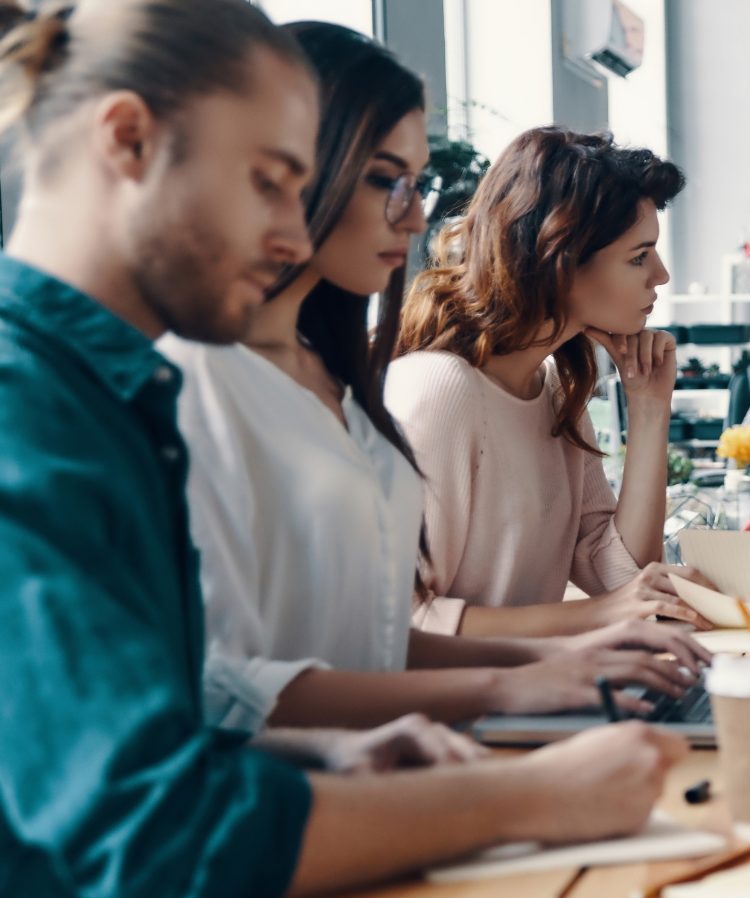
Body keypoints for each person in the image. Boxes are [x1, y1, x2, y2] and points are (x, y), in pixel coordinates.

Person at [0, 4, 684, 898]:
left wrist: (325, 750)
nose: (292, 231)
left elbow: (189, 713)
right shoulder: (33, 408)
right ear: (127, 141)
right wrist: (525, 791)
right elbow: (152, 832)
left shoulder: (120, 390)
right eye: (274, 184)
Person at [161, 23, 707, 732]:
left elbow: (370, 646)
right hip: (373, 759)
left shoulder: (350, 383)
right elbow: (240, 684)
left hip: (394, 749)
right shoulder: (422, 389)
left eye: (413, 183)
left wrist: (579, 659)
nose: (418, 215)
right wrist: (545, 665)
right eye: (388, 181)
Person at [390, 127, 714, 639]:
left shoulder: (554, 388)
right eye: (638, 256)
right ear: (559, 262)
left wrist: (649, 409)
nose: (661, 275)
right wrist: (600, 615)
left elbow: (622, 577)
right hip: (449, 712)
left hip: (528, 696)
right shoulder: (440, 389)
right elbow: (403, 621)